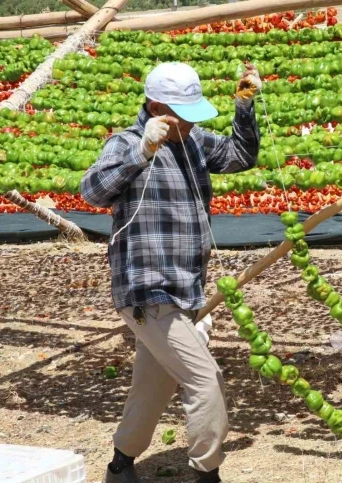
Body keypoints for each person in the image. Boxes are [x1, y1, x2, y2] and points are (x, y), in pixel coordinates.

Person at [80, 61, 261, 483]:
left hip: (184, 287)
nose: (188, 122)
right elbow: (92, 191)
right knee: (205, 379)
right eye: (181, 113)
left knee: (154, 382)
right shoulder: (124, 142)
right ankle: (206, 472)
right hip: (147, 289)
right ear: (157, 105)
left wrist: (245, 104)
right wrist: (140, 153)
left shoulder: (193, 140)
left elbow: (240, 156)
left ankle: (120, 464)